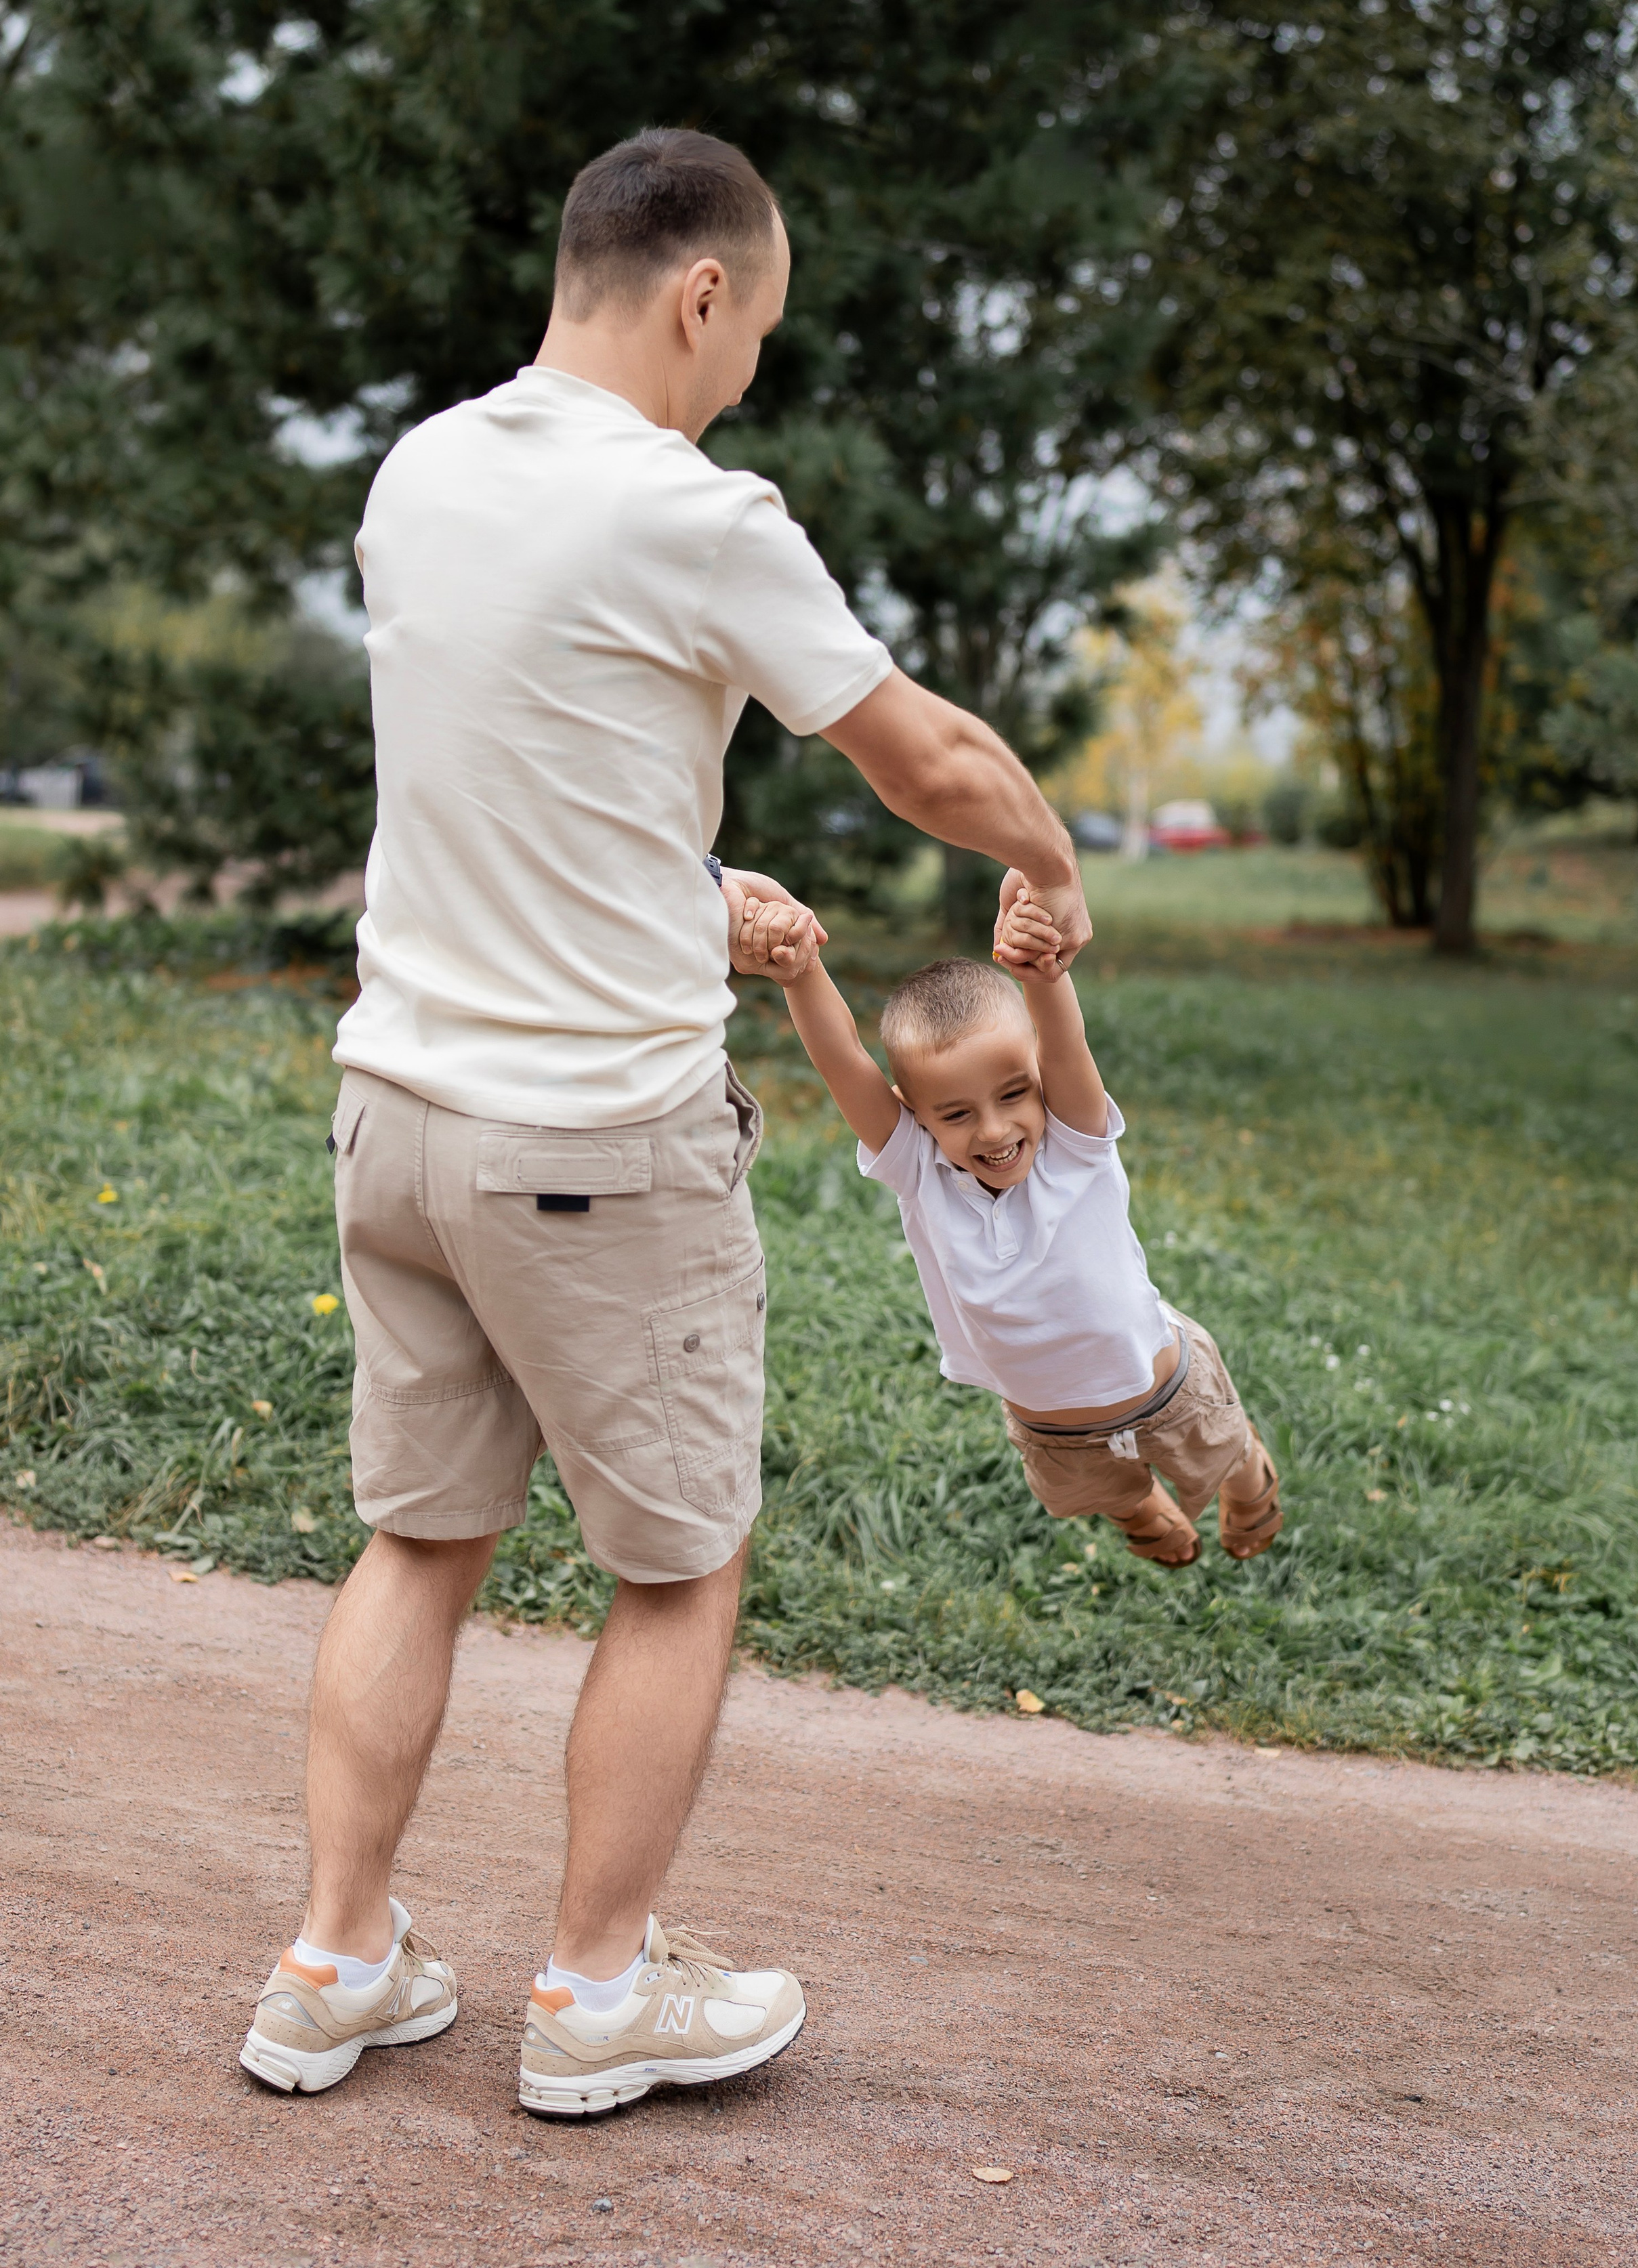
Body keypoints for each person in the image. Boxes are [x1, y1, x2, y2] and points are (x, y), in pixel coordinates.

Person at [238, 127, 1091, 2118]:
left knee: (420, 1543)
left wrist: (684, 891)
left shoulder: (422, 472)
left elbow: (521, 763)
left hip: (398, 1114)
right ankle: (597, 1997)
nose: (751, 378)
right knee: (679, 1564)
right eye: (757, 333)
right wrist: (1048, 849)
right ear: (700, 292)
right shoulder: (694, 512)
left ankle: (331, 1963)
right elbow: (922, 757)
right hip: (595, 1145)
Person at [734, 884, 1281, 1568]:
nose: (994, 1131)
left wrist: (1042, 972)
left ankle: (1249, 1479)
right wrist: (802, 971)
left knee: (1221, 1453)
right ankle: (1137, 1506)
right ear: (916, 1115)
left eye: (1014, 1094)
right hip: (1048, 1429)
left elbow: (1062, 1041)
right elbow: (842, 1059)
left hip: (1168, 1393)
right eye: (956, 1114)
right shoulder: (918, 1167)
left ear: (1041, 1084)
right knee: (1094, 1490)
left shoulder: (1075, 1142)